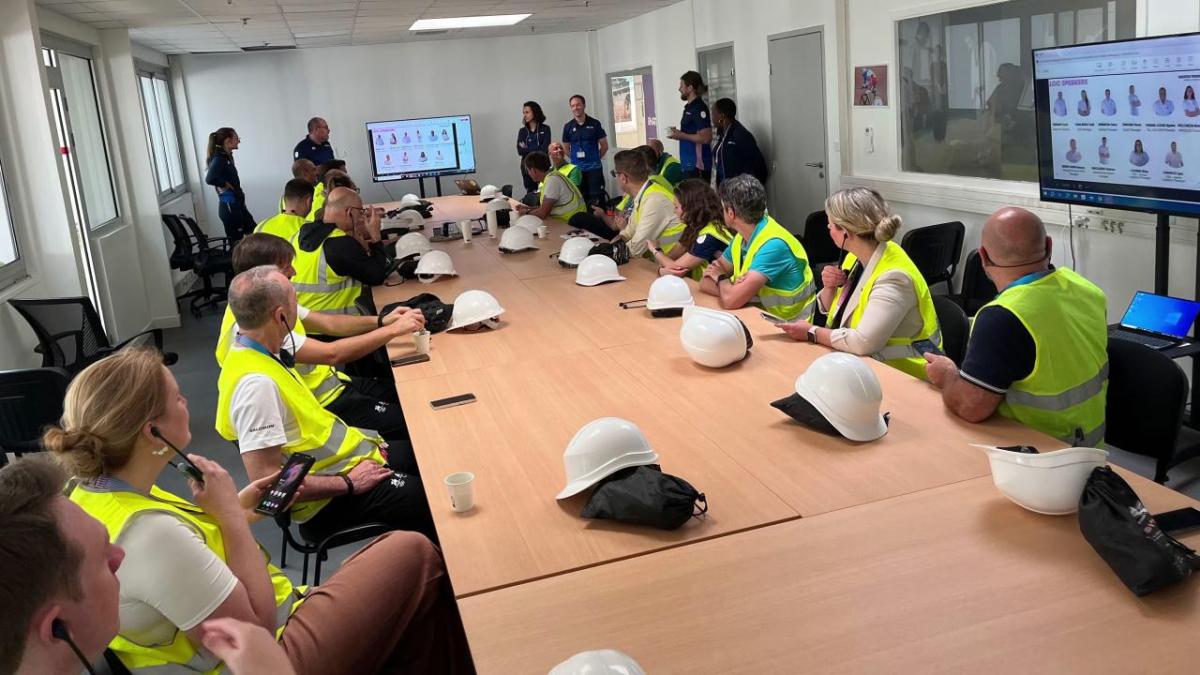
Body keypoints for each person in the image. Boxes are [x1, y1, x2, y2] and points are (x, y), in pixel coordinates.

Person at [46, 348, 473, 674]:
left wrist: (235, 506)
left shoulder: (94, 499)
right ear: (152, 432)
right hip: (274, 653)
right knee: (411, 552)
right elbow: (257, 634)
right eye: (178, 398)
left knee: (394, 592)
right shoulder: (148, 535)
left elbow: (197, 546)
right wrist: (231, 518)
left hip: (277, 620)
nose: (186, 403)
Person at [0, 456, 300, 675]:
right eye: (103, 560)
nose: (121, 556)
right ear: (57, 628)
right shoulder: (145, 528)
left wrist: (234, 514)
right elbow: (256, 627)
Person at [218, 267, 439, 545]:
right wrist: (348, 484)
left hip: (349, 464)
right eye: (294, 299)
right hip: (326, 502)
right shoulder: (256, 387)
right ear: (280, 316)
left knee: (431, 453)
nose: (299, 305)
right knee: (433, 496)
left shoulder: (262, 348)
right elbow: (270, 485)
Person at [923, 207, 1107, 446]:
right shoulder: (1088, 290)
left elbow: (970, 407)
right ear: (1049, 246)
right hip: (1091, 450)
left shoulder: (1002, 317)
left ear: (983, 257)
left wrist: (947, 375)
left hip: (1036, 458)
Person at [222, 233, 423, 440]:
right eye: (285, 268)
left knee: (406, 392)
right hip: (322, 404)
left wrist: (382, 321)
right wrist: (393, 330)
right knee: (411, 418)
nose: (294, 271)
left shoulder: (261, 300)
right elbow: (332, 354)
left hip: (334, 383)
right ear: (261, 275)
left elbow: (329, 323)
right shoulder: (259, 324)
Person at [777, 188, 941, 380]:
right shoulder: (856, 257)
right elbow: (835, 312)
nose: (828, 229)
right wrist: (830, 287)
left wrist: (812, 333)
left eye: (830, 225)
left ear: (846, 232)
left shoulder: (894, 278)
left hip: (902, 374)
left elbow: (863, 342)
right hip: (861, 364)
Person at [698, 175, 815, 320]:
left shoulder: (773, 245)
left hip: (789, 329)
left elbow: (730, 301)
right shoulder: (742, 237)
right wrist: (734, 290)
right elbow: (705, 282)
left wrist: (723, 278)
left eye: (723, 209)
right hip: (758, 318)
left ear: (731, 213)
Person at [292, 187, 394, 316]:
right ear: (349, 212)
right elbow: (378, 275)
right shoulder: (339, 243)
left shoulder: (303, 232)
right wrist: (375, 236)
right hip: (336, 325)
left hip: (305, 321)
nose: (361, 217)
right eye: (360, 212)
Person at [585, 150, 682, 256]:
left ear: (623, 178)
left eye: (615, 173)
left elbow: (636, 248)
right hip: (659, 261)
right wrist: (610, 246)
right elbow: (628, 233)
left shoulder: (655, 200)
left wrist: (604, 255)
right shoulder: (644, 194)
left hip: (672, 264)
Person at [650, 179, 732, 280]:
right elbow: (671, 257)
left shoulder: (710, 236)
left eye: (676, 207)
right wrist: (663, 265)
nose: (674, 211)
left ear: (690, 208)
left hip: (720, 290)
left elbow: (676, 270)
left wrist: (655, 250)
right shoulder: (695, 227)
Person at [516, 151, 612, 238]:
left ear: (533, 170)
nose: (528, 174)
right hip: (570, 222)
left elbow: (543, 213)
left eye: (528, 171)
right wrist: (528, 208)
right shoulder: (552, 176)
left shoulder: (552, 181)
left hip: (571, 225)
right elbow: (546, 206)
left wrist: (526, 214)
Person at [205, 127, 255, 242]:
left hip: (238, 204)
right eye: (237, 138)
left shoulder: (227, 156)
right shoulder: (219, 158)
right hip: (230, 206)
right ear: (227, 141)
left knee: (253, 232)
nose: (239, 141)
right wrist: (224, 183)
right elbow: (210, 178)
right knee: (236, 243)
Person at [562, 94, 609, 206]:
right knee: (580, 199)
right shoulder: (568, 126)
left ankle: (600, 223)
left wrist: (595, 158)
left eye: (578, 105)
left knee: (597, 200)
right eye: (573, 105)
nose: (576, 108)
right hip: (577, 171)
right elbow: (565, 147)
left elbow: (604, 146)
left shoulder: (595, 124)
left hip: (594, 169)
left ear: (584, 105)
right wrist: (574, 159)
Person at [669, 71, 714, 182]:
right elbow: (691, 133)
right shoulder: (689, 107)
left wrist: (681, 135)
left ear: (690, 88)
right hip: (688, 165)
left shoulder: (699, 108)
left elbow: (706, 138)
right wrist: (679, 134)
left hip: (697, 166)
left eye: (681, 85)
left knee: (697, 199)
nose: (679, 89)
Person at [711, 98, 768, 185]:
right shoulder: (721, 133)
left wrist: (751, 188)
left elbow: (759, 165)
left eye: (713, 113)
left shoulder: (740, 135)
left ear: (722, 116)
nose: (712, 117)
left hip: (741, 191)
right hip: (726, 189)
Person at [517, 101, 552, 195]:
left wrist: (527, 148)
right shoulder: (522, 131)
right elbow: (520, 151)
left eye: (527, 112)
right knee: (531, 194)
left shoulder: (545, 129)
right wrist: (537, 147)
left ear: (535, 112)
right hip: (527, 169)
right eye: (523, 113)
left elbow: (544, 149)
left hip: (543, 167)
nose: (525, 115)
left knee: (546, 192)